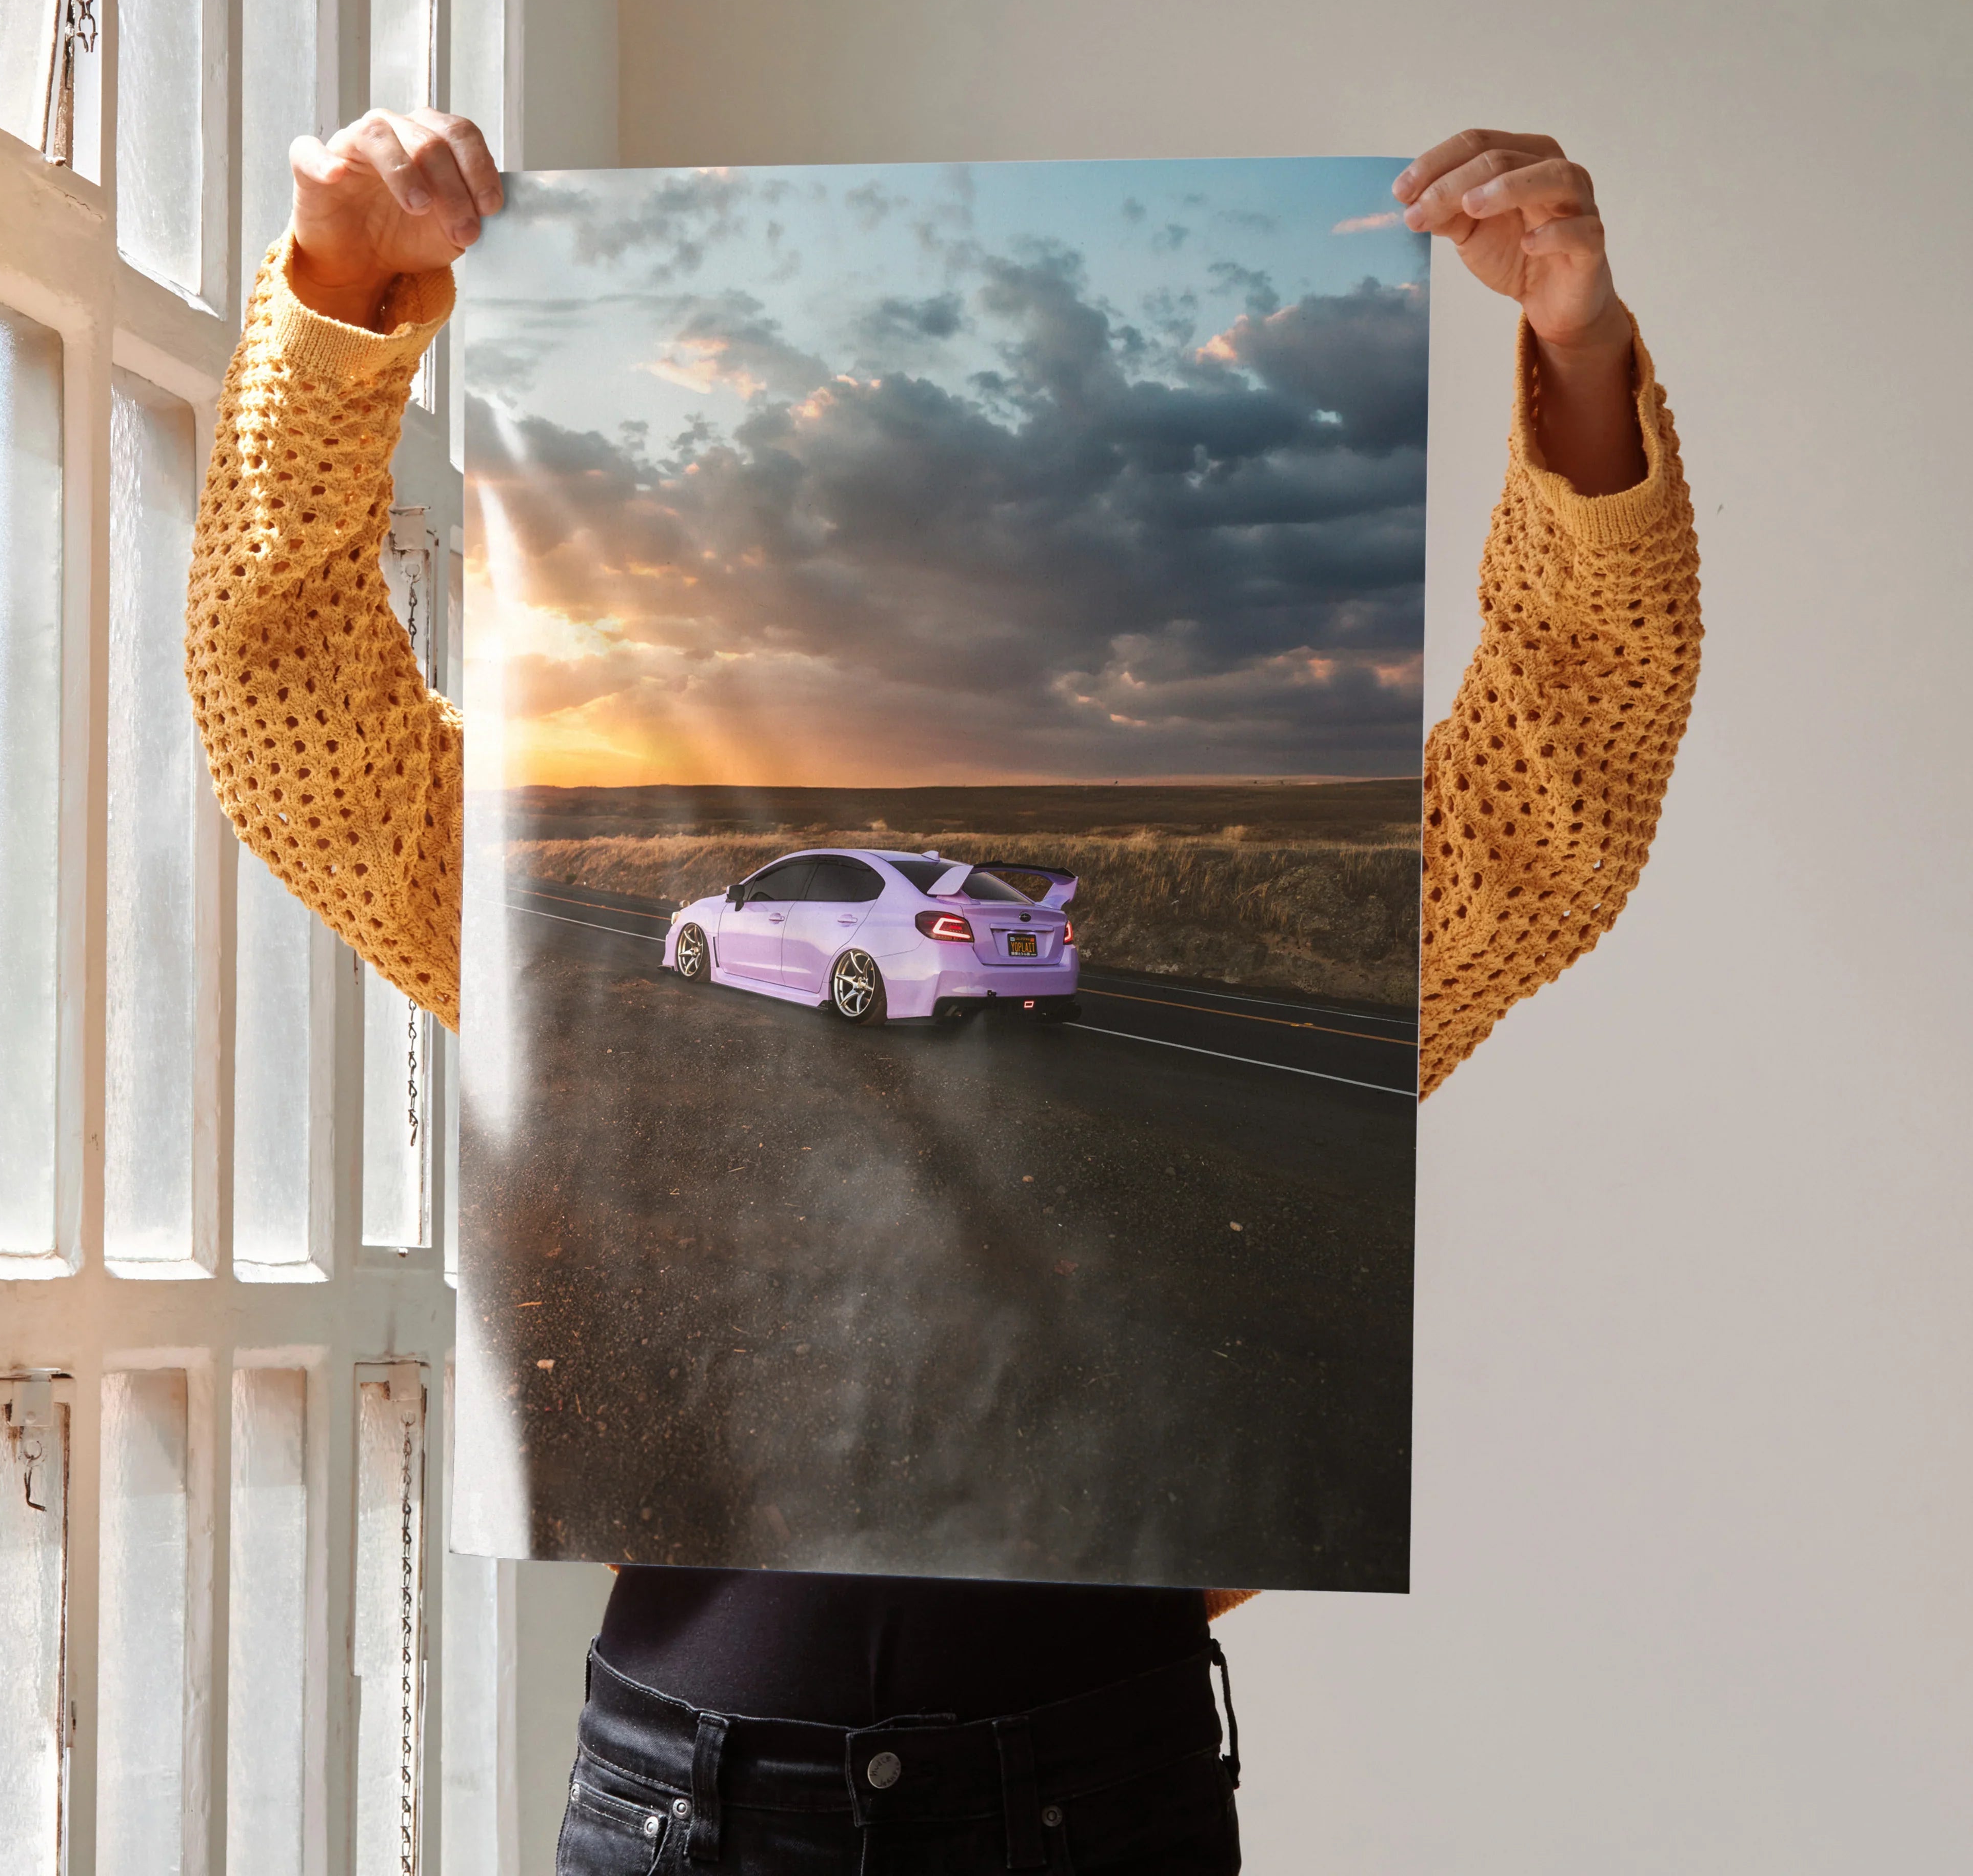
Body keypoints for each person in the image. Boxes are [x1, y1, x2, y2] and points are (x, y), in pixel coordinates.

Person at [186, 111, 1699, 1873]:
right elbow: (290, 713)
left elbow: (1556, 800)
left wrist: (1578, 353)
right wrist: (338, 298)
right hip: (696, 1803)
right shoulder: (583, 936)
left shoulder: (1167, 980)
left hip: (1094, 1792)